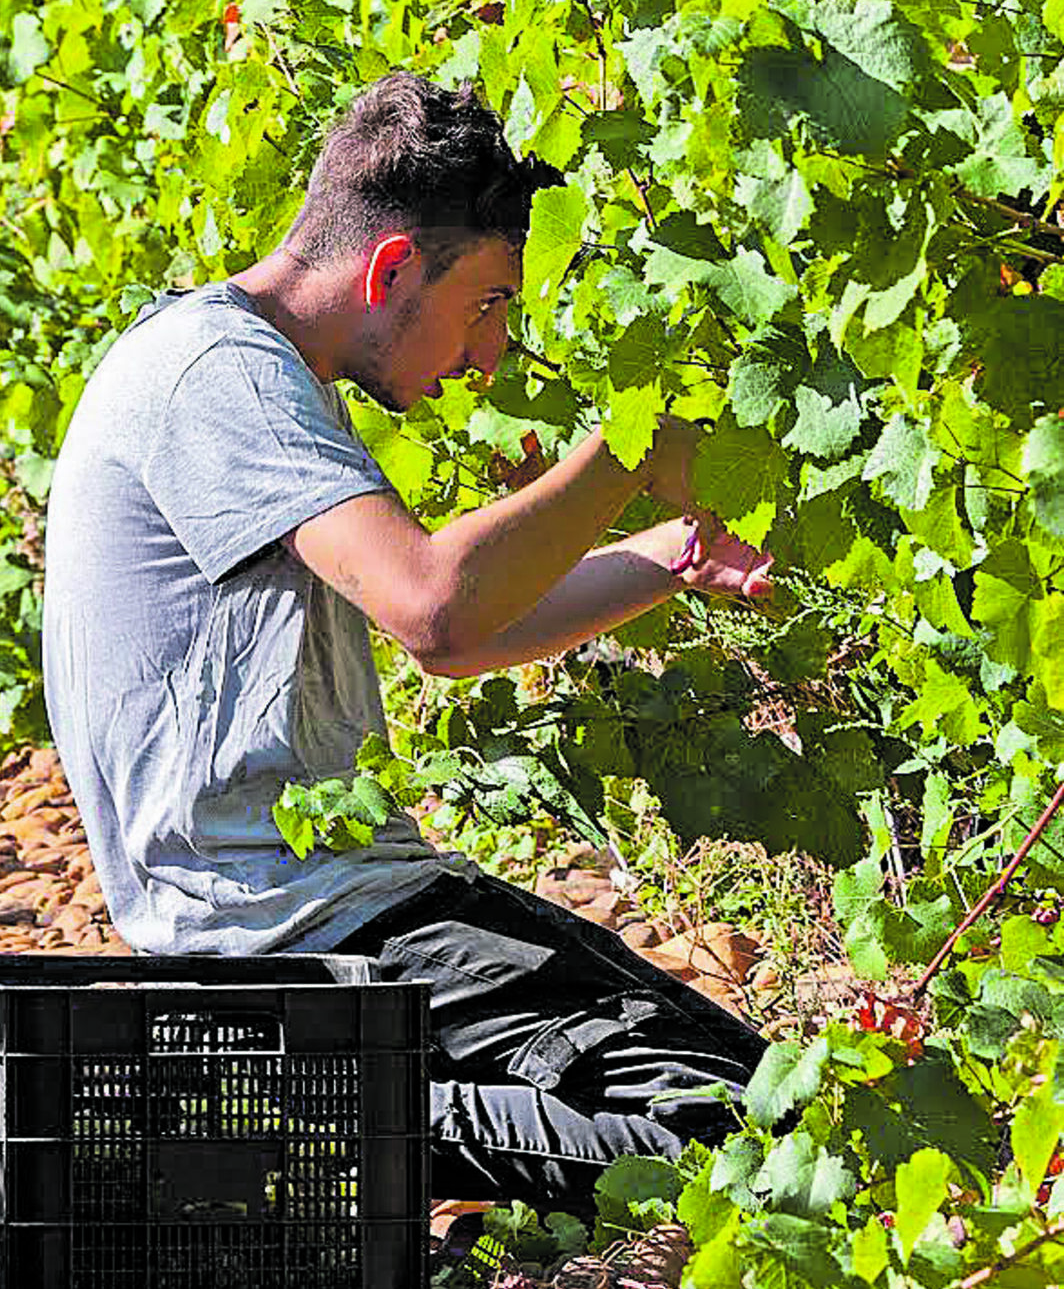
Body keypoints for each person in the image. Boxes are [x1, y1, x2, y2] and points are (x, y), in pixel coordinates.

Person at [42, 71, 771, 1215]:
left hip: (352, 908)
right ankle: (291, 1109)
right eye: (486, 304)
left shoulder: (267, 375)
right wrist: (633, 445)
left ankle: (321, 1098)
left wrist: (673, 553)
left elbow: (456, 636)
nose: (487, 359)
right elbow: (433, 601)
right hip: (292, 937)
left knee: (769, 1098)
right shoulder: (216, 377)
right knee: (740, 1145)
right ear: (390, 269)